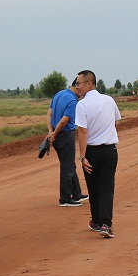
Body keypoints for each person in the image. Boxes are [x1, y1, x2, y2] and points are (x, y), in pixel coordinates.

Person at [75, 70, 121, 238]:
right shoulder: (109, 100)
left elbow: (82, 131)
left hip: (92, 151)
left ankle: (96, 220)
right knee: (107, 188)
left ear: (89, 84)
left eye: (78, 83)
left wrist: (82, 156)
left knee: (93, 187)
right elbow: (116, 121)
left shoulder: (82, 105)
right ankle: (105, 224)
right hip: (109, 150)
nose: (77, 87)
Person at [44, 79, 87, 207]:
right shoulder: (73, 101)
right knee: (67, 167)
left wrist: (51, 131)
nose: (82, 94)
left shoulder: (59, 94)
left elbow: (49, 114)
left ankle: (77, 193)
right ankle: (65, 199)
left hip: (57, 135)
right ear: (76, 86)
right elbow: (63, 121)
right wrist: (54, 134)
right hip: (65, 135)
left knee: (69, 164)